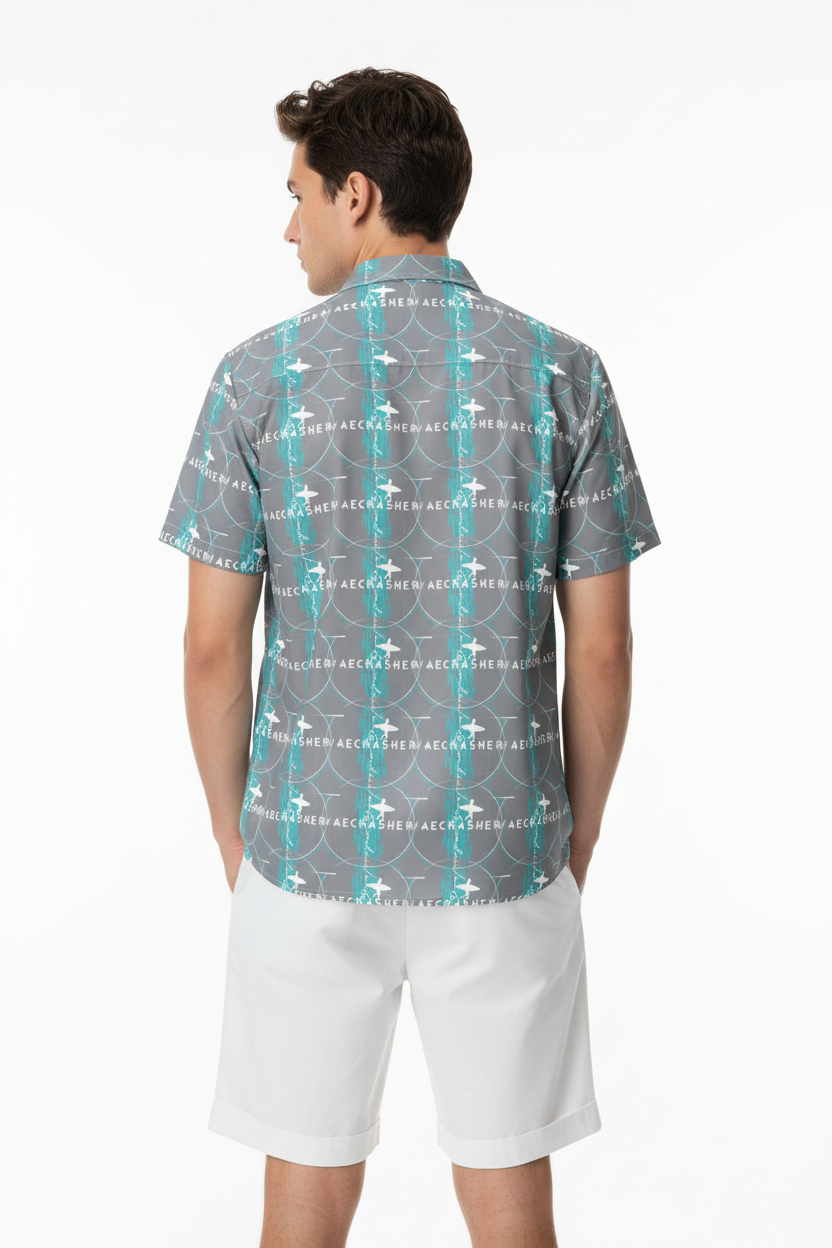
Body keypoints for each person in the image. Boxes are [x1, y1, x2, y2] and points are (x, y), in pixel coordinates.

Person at [159, 66, 661, 1248]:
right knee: (510, 1196)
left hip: (305, 845)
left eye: (298, 196)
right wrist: (575, 835)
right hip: (503, 845)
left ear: (357, 193)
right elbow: (601, 650)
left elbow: (212, 647)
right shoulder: (563, 373)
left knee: (303, 1195)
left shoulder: (255, 376)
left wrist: (238, 835)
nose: (289, 228)